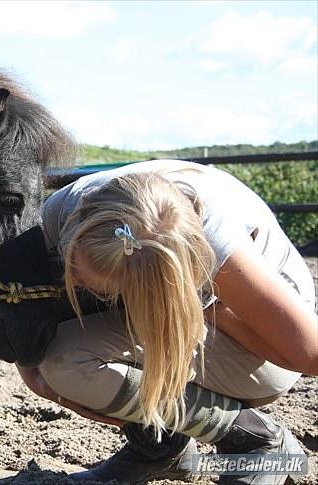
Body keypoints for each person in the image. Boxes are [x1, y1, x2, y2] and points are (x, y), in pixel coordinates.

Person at [18, 159, 317, 484]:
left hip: (258, 339)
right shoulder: (63, 208)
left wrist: (204, 310)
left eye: (105, 288)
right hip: (171, 295)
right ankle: (163, 449)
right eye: (72, 267)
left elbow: (309, 354)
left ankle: (256, 439)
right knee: (59, 360)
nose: (72, 284)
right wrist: (28, 363)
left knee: (70, 366)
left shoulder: (215, 244)